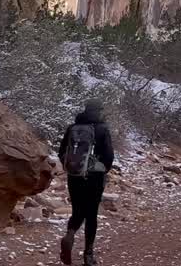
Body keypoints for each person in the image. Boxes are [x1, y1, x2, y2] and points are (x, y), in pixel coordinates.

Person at [57, 100, 115, 266]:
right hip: (95, 177)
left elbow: (62, 152)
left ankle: (70, 233)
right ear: (98, 111)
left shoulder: (73, 128)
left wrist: (72, 168)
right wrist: (103, 170)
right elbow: (109, 155)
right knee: (91, 215)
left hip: (74, 175)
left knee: (77, 210)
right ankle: (88, 255)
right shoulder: (102, 129)